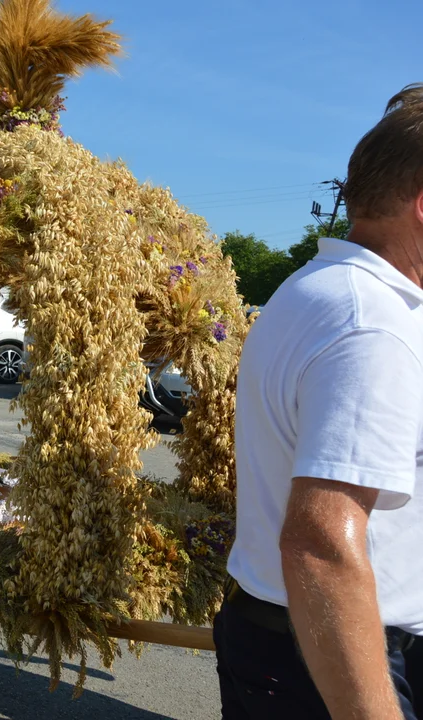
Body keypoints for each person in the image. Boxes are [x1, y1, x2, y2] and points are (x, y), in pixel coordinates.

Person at [215, 84, 423, 718]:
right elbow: (322, 546)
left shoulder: (318, 292)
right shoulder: (373, 326)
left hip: (297, 645)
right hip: (343, 658)